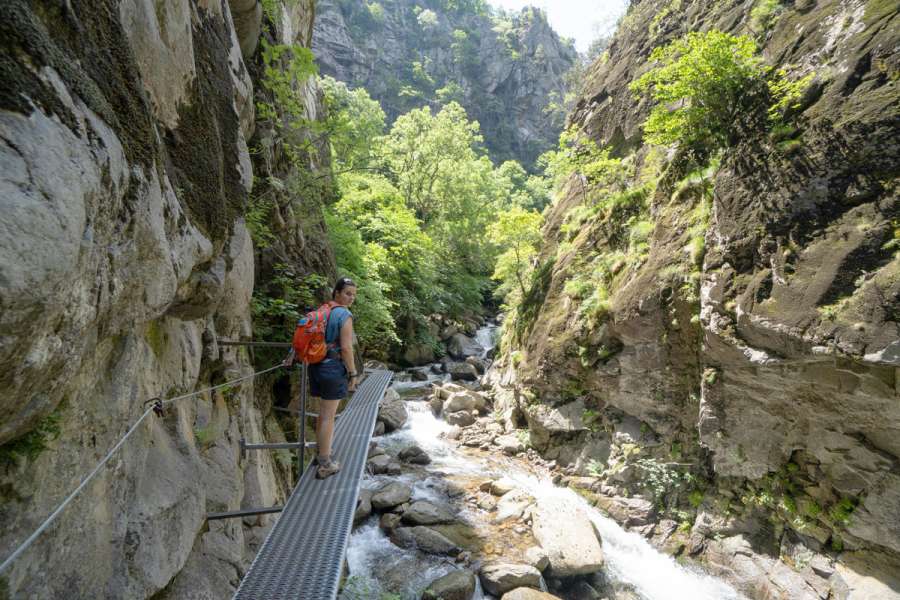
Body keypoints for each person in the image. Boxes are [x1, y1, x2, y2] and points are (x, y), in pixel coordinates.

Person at [308, 277, 359, 479]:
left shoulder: (324, 310)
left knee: (323, 414)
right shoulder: (344, 315)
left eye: (354, 295)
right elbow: (346, 348)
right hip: (333, 369)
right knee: (329, 416)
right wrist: (353, 372)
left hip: (316, 367)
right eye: (347, 293)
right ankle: (326, 462)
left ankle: (321, 453)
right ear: (336, 292)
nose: (351, 298)